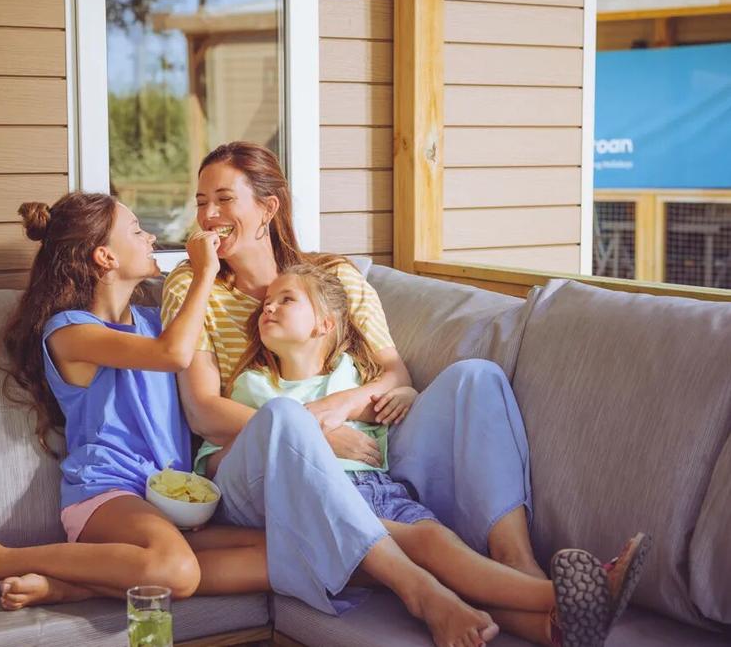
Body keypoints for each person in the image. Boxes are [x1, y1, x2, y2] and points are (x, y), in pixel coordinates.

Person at [161, 142, 651, 647]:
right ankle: (467, 594)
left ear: (268, 207)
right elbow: (203, 412)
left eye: (223, 199)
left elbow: (394, 374)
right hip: (254, 466)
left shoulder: (335, 278)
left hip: (362, 451)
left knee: (476, 378)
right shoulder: (193, 285)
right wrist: (311, 434)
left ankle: (524, 574)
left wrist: (336, 410)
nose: (208, 215)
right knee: (288, 419)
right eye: (201, 202)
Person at [208, 262, 652, 647]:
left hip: (380, 489)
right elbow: (216, 462)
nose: (268, 307)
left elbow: (393, 407)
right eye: (266, 303)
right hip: (312, 500)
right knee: (425, 543)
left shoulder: (353, 374)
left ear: (324, 325)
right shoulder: (252, 386)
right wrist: (313, 434)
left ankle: (550, 619)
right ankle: (570, 594)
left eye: (285, 300)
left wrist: (405, 395)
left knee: (477, 379)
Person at [0, 191, 268, 610]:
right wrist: (204, 272)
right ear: (106, 257)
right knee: (177, 571)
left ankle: (82, 583)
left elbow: (187, 349)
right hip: (108, 493)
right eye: (137, 231)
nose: (150, 237)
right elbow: (174, 355)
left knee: (275, 555)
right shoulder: (70, 332)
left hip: (170, 501)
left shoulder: (154, 322)